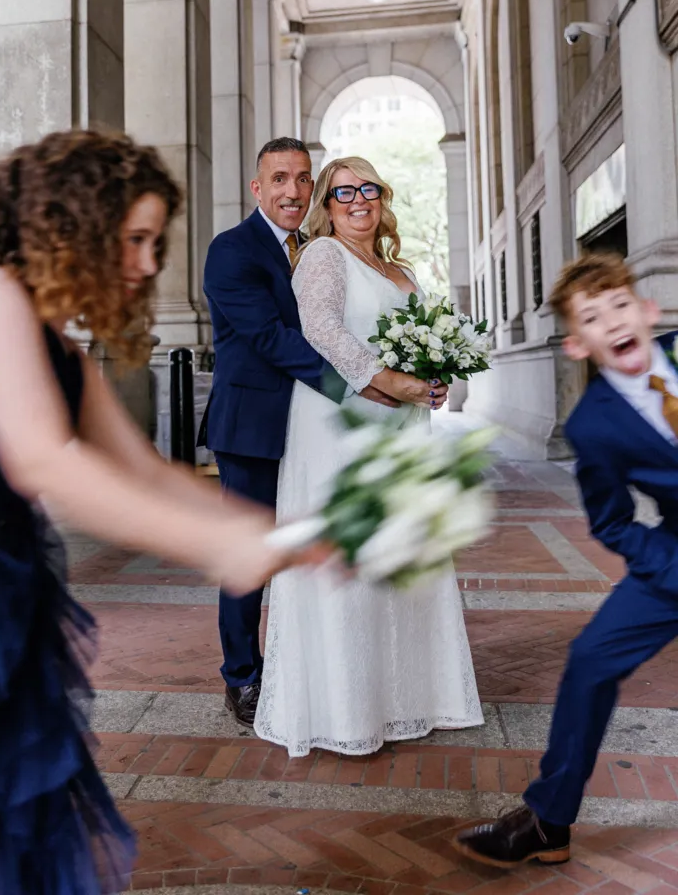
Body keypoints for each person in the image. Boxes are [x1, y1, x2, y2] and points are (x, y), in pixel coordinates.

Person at [0, 129, 302, 895]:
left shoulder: (55, 344)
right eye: (134, 239)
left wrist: (269, 534)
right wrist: (218, 550)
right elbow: (47, 464)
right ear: (72, 225)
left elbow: (143, 470)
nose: (146, 263)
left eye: (154, 243)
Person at [254, 156, 483, 757]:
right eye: (342, 191)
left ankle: (410, 699)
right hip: (341, 429)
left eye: (369, 188)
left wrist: (435, 383)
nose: (358, 200)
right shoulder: (324, 258)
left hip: (402, 430)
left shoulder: (400, 268)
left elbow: (432, 340)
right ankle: (347, 711)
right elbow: (321, 331)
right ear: (326, 207)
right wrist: (391, 382)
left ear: (383, 196)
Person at [456, 251, 678, 869]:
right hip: (675, 555)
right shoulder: (593, 426)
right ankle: (549, 821)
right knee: (589, 661)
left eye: (619, 306)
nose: (611, 322)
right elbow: (612, 523)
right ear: (578, 345)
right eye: (592, 318)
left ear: (647, 310)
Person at [201, 137, 412, 726]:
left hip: (314, 429)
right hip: (253, 429)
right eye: (279, 179)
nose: (291, 191)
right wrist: (365, 384)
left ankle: (310, 665)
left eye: (301, 179)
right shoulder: (232, 250)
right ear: (257, 187)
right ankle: (242, 675)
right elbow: (271, 338)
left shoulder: (314, 249)